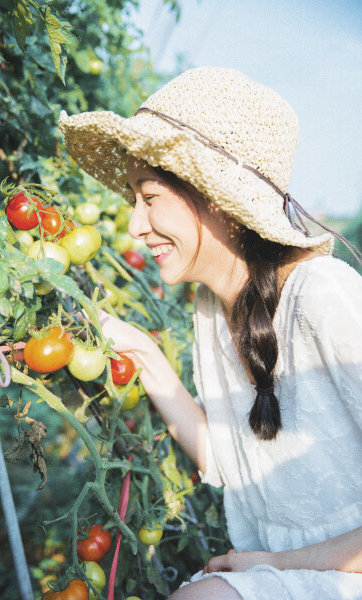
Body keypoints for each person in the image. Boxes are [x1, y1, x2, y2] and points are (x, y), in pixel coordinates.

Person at [59, 67, 362, 599]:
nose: (133, 224)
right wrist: (148, 357)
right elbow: (230, 459)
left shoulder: (324, 296)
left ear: (215, 198)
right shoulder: (210, 309)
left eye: (148, 198)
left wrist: (273, 564)